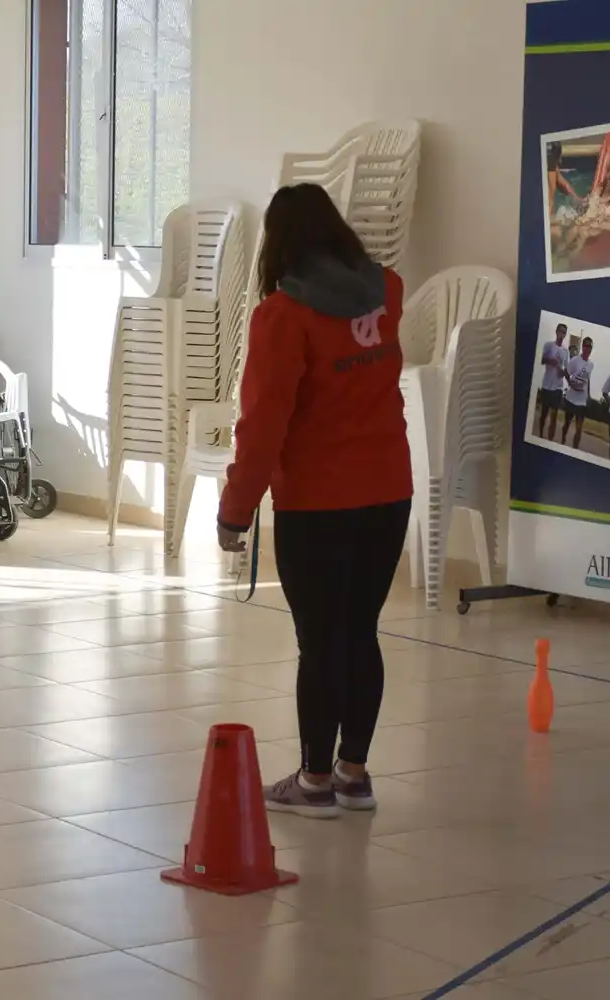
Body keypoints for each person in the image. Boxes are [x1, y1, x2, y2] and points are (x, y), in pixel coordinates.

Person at [216, 183, 412, 820]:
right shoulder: (388, 293)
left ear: (280, 244)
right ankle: (354, 775)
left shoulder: (282, 316)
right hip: (388, 492)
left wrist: (235, 511)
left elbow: (263, 425)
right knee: (360, 632)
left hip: (318, 502)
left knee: (320, 643)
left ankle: (315, 782)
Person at [559, 336, 595, 449]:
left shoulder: (591, 364)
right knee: (567, 424)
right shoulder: (575, 360)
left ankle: (574, 449)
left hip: (582, 401)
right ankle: (563, 438)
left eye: (590, 346)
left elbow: (588, 379)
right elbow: (566, 372)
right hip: (571, 398)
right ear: (583, 347)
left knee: (579, 429)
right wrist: (570, 383)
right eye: (586, 346)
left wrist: (588, 395)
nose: (588, 348)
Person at [537, 323, 570, 438]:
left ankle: (549, 441)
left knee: (554, 416)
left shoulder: (566, 351)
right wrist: (550, 361)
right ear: (556, 332)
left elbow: (567, 370)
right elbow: (541, 360)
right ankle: (540, 435)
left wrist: (564, 373)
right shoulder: (548, 345)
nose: (562, 334)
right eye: (560, 331)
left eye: (564, 332)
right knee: (543, 415)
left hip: (558, 387)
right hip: (546, 385)